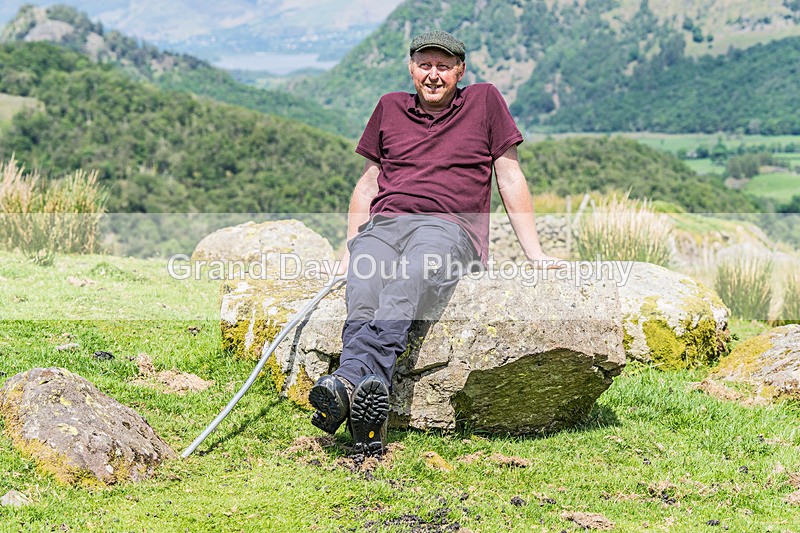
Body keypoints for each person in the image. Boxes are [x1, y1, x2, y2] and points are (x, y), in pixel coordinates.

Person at [308, 30, 561, 456]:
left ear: (460, 70)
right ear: (411, 68)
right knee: (364, 283)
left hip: (447, 228)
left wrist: (533, 253)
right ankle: (361, 397)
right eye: (425, 65)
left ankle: (348, 381)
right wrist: (348, 247)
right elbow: (369, 184)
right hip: (386, 223)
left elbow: (510, 175)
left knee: (410, 276)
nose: (433, 75)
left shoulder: (484, 101)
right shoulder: (390, 107)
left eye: (443, 66)